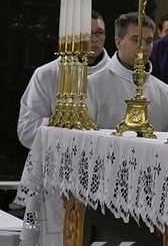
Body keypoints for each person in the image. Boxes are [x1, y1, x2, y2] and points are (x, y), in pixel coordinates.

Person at [17, 10, 110, 148]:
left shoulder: (115, 74)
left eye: (99, 33)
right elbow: (27, 129)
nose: (94, 39)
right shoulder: (47, 74)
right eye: (88, 33)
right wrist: (65, 123)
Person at [87, 12, 168, 131]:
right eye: (136, 40)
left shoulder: (167, 94)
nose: (143, 47)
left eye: (148, 41)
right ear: (118, 42)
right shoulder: (91, 87)